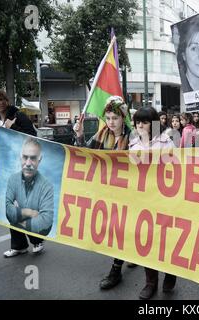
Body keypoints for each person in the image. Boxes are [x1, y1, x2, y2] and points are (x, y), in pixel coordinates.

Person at [73, 96, 135, 290]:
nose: (111, 122)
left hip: (131, 192)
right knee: (117, 228)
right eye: (108, 118)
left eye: (115, 118)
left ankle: (116, 270)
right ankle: (128, 255)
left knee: (126, 228)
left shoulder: (134, 136)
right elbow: (84, 153)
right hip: (109, 191)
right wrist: (80, 135)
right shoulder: (101, 134)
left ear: (123, 117)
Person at [0, 88, 42, 257]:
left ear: (6, 100)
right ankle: (19, 245)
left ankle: (37, 240)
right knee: (8, 206)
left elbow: (33, 137)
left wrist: (13, 127)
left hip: (21, 168)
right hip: (1, 171)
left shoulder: (19, 116)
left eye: (0, 99)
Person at [129, 106, 176, 300]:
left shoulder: (166, 142)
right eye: (138, 122)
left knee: (165, 240)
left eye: (145, 122)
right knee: (147, 241)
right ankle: (150, 282)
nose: (140, 125)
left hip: (163, 199)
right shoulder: (132, 144)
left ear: (153, 123)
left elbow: (174, 169)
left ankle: (170, 273)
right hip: (142, 200)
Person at [5, 137, 54, 237]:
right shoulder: (12, 179)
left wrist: (18, 213)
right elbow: (8, 210)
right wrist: (29, 212)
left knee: (17, 219)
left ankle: (37, 242)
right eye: (25, 157)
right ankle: (19, 246)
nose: (28, 163)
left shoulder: (47, 186)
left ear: (39, 159)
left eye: (33, 158)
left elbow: (46, 220)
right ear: (20, 157)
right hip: (27, 219)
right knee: (13, 218)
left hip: (40, 232)